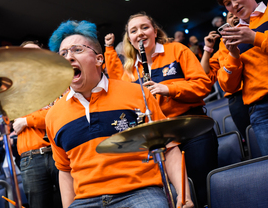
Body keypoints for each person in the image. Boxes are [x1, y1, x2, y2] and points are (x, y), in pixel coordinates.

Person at [47, 20, 193, 208]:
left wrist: (184, 195)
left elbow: (170, 148)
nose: (68, 57)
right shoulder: (53, 115)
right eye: (63, 54)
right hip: (86, 201)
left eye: (77, 50)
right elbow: (65, 171)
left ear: (99, 59)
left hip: (140, 192)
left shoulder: (137, 93)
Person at [104, 12, 217, 208]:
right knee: (173, 197)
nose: (139, 33)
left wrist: (168, 89)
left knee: (203, 191)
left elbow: (203, 86)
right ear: (129, 38)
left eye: (144, 27)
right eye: (134, 31)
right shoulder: (130, 71)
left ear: (155, 31)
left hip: (192, 130)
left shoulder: (176, 50)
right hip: (160, 140)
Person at [0, 0, 62, 207]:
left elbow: (59, 114)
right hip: (30, 158)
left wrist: (27, 121)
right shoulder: (13, 87)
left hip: (61, 152)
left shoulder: (59, 81)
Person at [215, 0, 268, 155]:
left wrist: (255, 38)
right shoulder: (230, 37)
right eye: (227, 3)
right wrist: (233, 56)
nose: (234, 5)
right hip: (261, 110)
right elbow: (228, 85)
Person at [201, 11, 250, 140]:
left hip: (259, 89)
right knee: (251, 139)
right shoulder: (223, 46)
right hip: (237, 98)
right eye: (230, 15)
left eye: (236, 13)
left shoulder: (254, 32)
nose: (234, 15)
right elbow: (205, 72)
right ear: (225, 24)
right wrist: (208, 48)